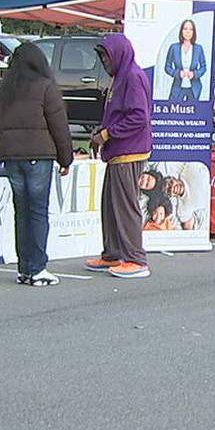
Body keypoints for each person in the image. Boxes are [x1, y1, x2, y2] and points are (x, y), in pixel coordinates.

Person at [0, 42, 74, 286]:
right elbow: (60, 128)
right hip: (39, 157)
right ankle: (38, 268)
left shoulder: (2, 89)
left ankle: (24, 268)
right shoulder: (46, 88)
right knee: (37, 212)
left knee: (21, 211)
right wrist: (66, 159)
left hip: (10, 157)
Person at [86, 33, 153, 279]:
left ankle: (135, 258)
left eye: (106, 56)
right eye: (101, 56)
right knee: (110, 205)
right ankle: (112, 253)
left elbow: (138, 117)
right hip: (117, 152)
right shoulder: (119, 78)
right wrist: (100, 132)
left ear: (119, 54)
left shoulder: (133, 77)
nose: (104, 61)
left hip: (130, 151)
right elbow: (116, 113)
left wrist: (107, 134)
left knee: (125, 206)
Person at [163, 19, 206, 103]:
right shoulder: (174, 48)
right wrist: (177, 73)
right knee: (174, 111)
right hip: (178, 87)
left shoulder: (198, 48)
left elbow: (203, 67)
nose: (188, 32)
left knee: (193, 114)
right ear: (181, 31)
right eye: (185, 29)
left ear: (194, 32)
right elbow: (167, 67)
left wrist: (195, 74)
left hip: (194, 89)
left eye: (190, 29)